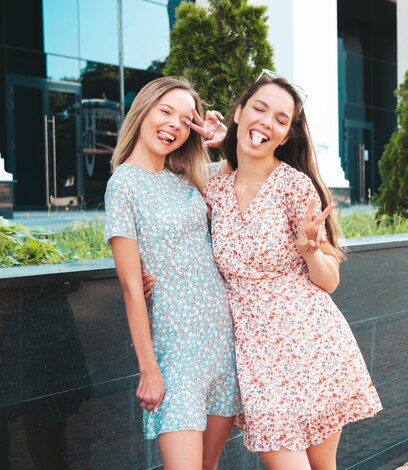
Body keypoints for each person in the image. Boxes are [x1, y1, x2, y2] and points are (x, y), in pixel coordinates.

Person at [202, 72, 382, 469]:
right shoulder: (214, 189)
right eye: (259, 109)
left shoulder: (295, 187)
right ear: (239, 113)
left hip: (311, 344)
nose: (267, 122)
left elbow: (329, 280)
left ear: (285, 136)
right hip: (257, 356)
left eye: (281, 120)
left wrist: (310, 251)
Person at [104, 77, 241, 470]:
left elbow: (242, 169)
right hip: (175, 351)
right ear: (143, 111)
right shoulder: (123, 185)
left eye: (185, 120)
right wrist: (149, 368)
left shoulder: (186, 180)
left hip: (221, 341)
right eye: (166, 112)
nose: (174, 125)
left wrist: (222, 137)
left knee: (208, 466)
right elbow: (132, 288)